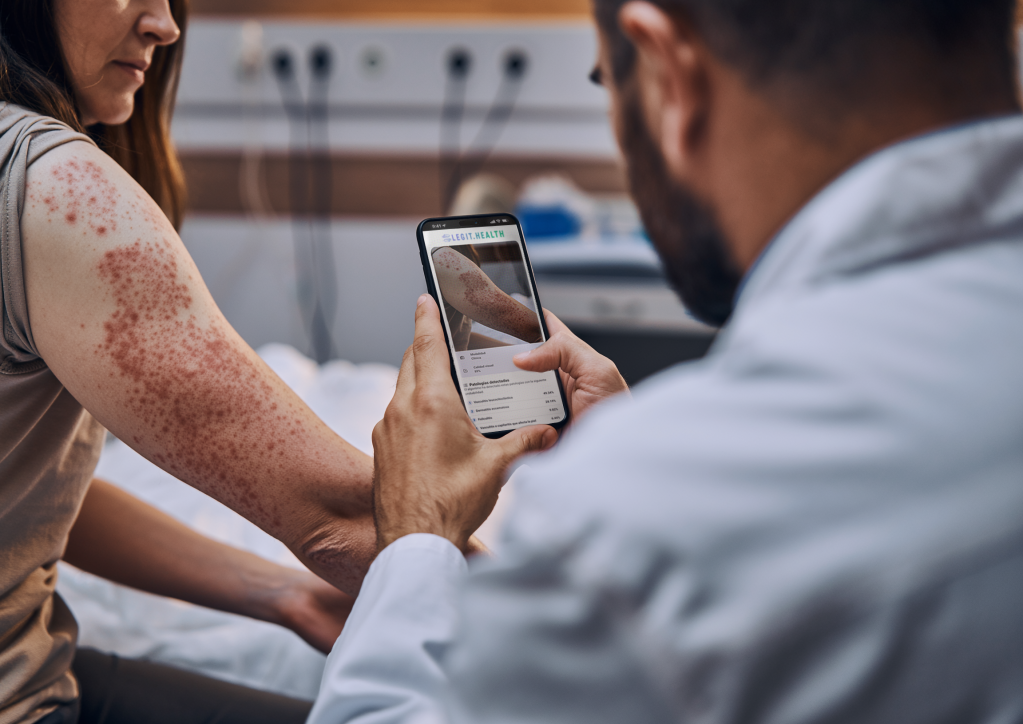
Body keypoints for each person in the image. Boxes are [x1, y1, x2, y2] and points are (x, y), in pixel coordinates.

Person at [307, 0, 1023, 722]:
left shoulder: (626, 535)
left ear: (666, 72)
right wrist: (641, 433)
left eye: (605, 84)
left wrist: (418, 540)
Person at [0, 1, 484, 722]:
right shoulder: (57, 187)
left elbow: (28, 501)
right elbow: (348, 520)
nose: (165, 24)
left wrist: (282, 593)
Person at [432, 245, 542, 351]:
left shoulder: (437, 258)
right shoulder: (444, 259)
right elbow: (537, 330)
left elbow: (458, 337)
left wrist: (517, 354)